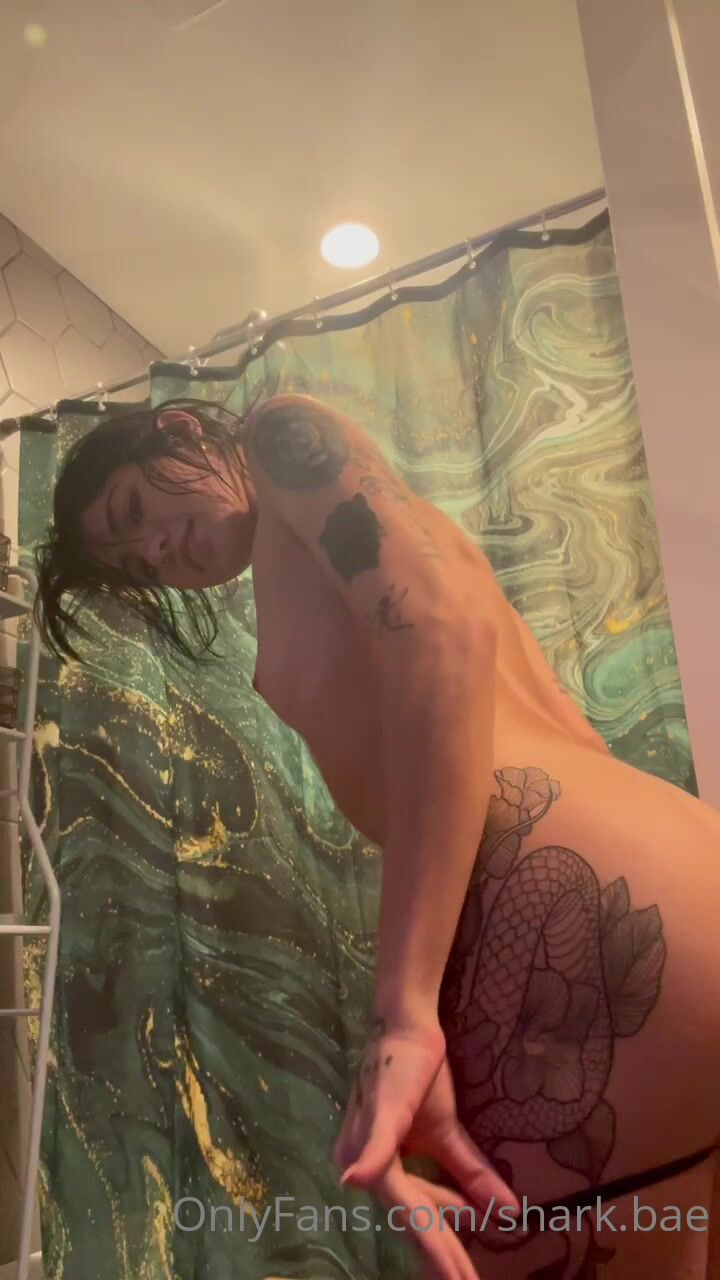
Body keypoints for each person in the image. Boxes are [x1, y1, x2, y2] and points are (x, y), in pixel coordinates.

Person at [36, 393, 720, 1280]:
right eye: (137, 562)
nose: (158, 552)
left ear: (179, 429)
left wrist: (405, 1013)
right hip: (664, 878)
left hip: (588, 932)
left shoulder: (278, 435)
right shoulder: (327, 542)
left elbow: (441, 637)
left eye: (135, 511)